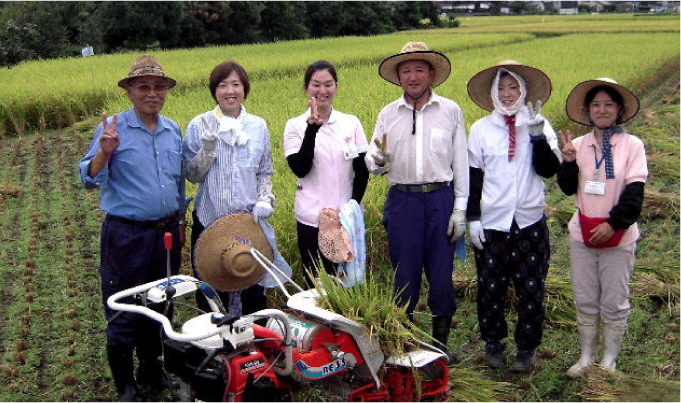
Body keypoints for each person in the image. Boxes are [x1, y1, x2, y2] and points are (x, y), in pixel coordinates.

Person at [79, 54, 188, 401]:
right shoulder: (113, 129)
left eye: (158, 87)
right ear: (130, 92)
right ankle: (126, 385)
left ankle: (153, 373)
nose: (152, 93)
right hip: (126, 235)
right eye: (144, 87)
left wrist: (181, 219)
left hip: (167, 233)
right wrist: (105, 154)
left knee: (160, 306)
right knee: (125, 307)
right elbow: (87, 178)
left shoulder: (172, 130)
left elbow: (179, 182)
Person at [365, 42, 468, 363]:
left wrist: (461, 208)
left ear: (432, 74)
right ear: (398, 76)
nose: (412, 76)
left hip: (440, 198)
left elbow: (461, 162)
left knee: (441, 273)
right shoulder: (387, 113)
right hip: (402, 202)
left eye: (419, 69)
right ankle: (407, 342)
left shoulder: (450, 110)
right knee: (404, 274)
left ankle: (440, 344)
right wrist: (378, 158)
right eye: (406, 70)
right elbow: (374, 161)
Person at [466, 60, 560, 373]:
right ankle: (493, 343)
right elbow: (474, 176)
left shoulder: (540, 124)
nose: (507, 94)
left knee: (531, 289)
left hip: (529, 220)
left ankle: (527, 348)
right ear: (493, 92)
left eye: (513, 87)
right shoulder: (480, 129)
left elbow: (548, 170)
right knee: (490, 286)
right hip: (492, 222)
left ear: (523, 91)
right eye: (501, 88)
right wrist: (473, 217)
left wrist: (536, 136)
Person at [183, 60, 287, 317]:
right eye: (223, 85)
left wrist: (266, 199)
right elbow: (192, 175)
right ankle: (216, 352)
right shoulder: (200, 124)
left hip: (247, 223)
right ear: (214, 90)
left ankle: (253, 347)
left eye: (236, 84)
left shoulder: (258, 126)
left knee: (251, 288)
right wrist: (207, 150)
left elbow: (264, 171)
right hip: (210, 221)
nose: (230, 91)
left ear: (245, 89)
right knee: (211, 293)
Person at [557, 78, 647, 377]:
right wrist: (568, 162)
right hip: (582, 235)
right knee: (585, 298)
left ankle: (609, 360)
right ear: (587, 110)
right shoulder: (579, 145)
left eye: (609, 104)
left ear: (620, 109)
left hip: (618, 238)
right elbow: (568, 189)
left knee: (614, 301)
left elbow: (634, 195)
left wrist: (613, 224)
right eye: (596, 104)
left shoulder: (632, 146)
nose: (602, 109)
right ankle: (586, 357)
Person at [283, 60, 369, 287]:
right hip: (311, 219)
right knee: (316, 284)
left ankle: (344, 322)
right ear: (306, 88)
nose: (323, 91)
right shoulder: (295, 126)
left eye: (328, 84)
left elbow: (362, 170)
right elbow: (300, 168)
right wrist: (312, 129)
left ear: (336, 87)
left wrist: (352, 206)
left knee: (348, 282)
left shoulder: (350, 123)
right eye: (316, 85)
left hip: (346, 218)